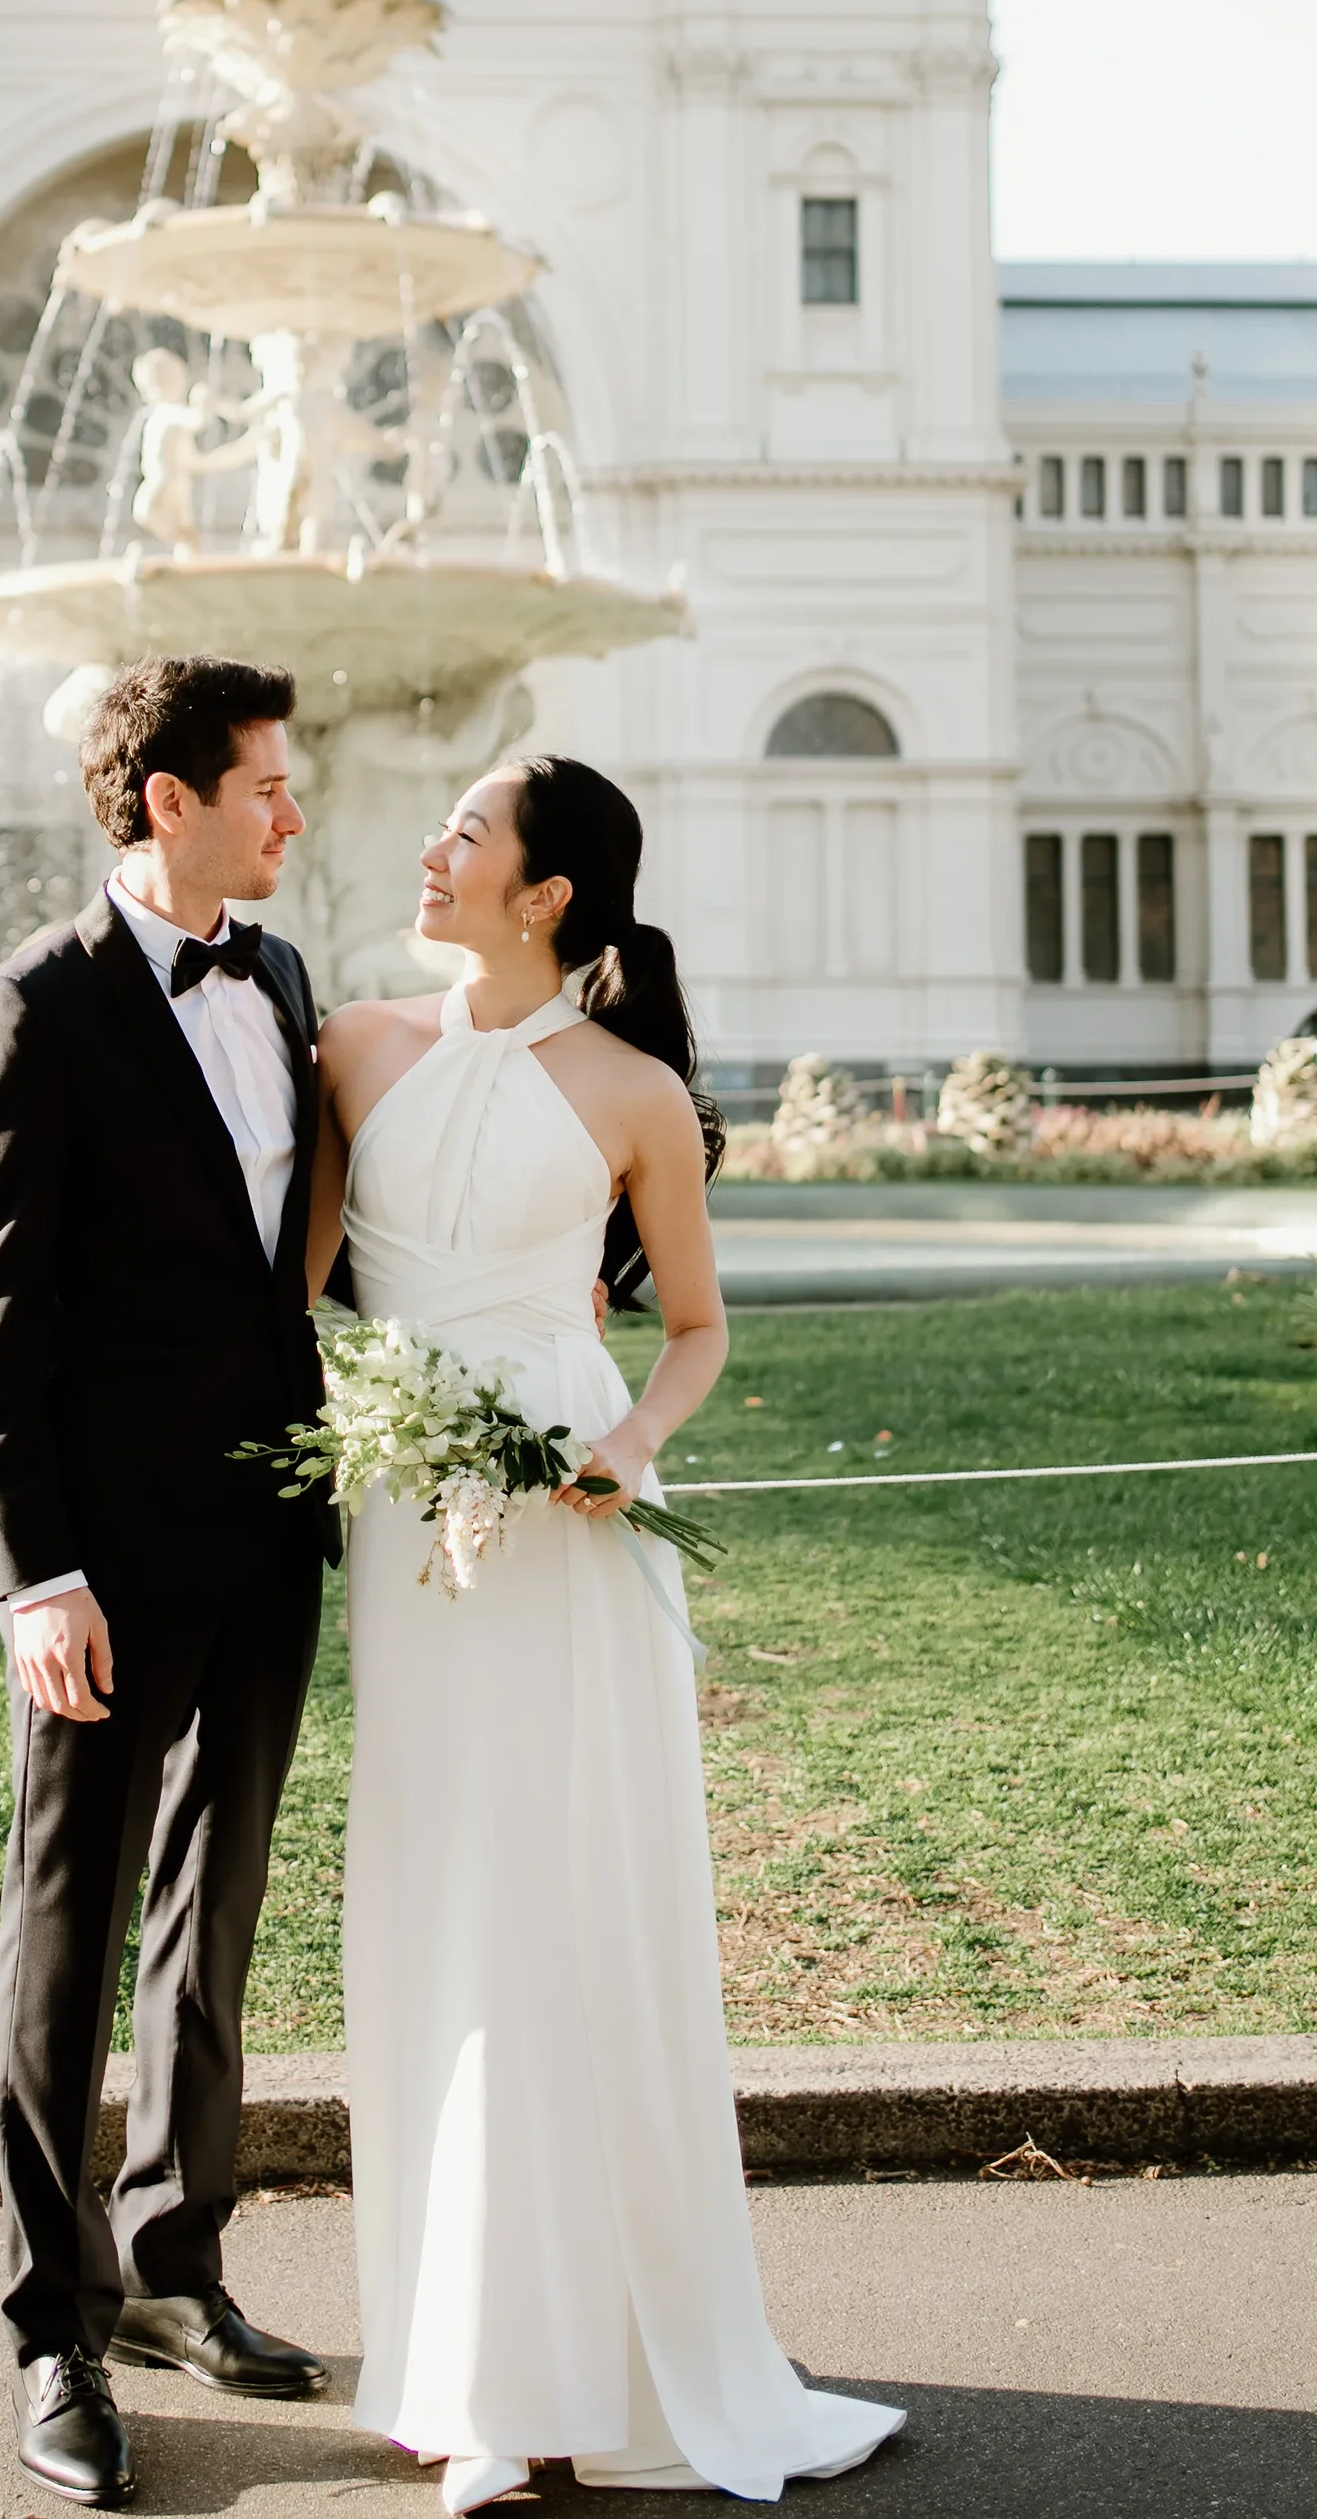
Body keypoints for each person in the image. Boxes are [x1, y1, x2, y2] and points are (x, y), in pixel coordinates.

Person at [311, 755, 905, 2509]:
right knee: (439, 1904)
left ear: (548, 888)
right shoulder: (355, 1043)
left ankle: (581, 2365)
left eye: (466, 832)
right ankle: (466, 2364)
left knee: (568, 1909)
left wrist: (626, 1443)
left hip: (573, 1531)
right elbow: (299, 1281)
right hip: (410, 1514)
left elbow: (699, 1328)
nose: (432, 848)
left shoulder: (638, 1091)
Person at [0, 655, 336, 2510]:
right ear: (166, 797)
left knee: (213, 1915)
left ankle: (180, 2266)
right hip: (99, 1570)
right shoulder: (32, 1008)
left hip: (271, 1537)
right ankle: (54, 2328)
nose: (293, 809)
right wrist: (36, 1572)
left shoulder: (276, 976)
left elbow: (298, 1258)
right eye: (267, 781)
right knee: (69, 1938)